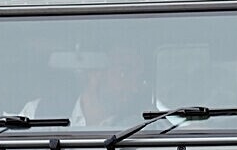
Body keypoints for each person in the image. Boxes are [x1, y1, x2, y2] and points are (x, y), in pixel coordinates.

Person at [22, 46, 150, 127]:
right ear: (95, 74)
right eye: (124, 73)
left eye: (139, 79)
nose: (134, 88)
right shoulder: (36, 113)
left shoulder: (142, 125)